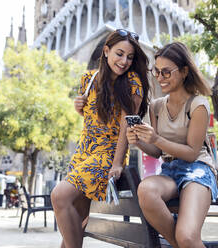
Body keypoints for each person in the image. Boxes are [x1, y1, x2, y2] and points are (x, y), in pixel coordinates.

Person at [51, 29, 150, 248]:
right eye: (119, 53)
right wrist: (79, 110)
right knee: (76, 219)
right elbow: (95, 120)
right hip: (83, 154)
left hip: (107, 156)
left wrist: (117, 163)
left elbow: (126, 124)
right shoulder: (88, 79)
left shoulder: (133, 82)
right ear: (106, 51)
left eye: (130, 57)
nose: (124, 61)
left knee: (59, 196)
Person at [126, 42, 218, 248]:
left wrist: (156, 139)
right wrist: (139, 141)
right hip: (169, 171)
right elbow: (158, 152)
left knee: (187, 237)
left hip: (199, 170)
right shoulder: (156, 106)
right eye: (156, 72)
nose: (159, 78)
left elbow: (192, 153)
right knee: (146, 190)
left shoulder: (198, 105)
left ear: (185, 71)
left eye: (166, 72)